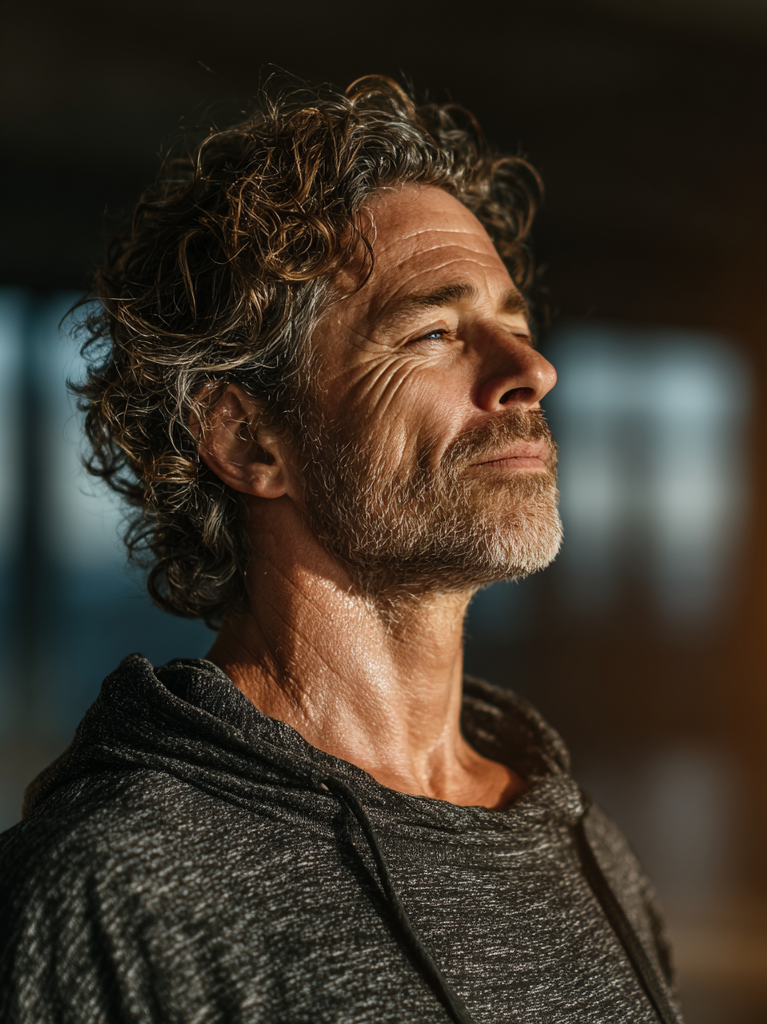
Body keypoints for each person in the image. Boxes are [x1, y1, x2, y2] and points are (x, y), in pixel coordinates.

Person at [0, 76, 680, 1024]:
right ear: (248, 441)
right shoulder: (111, 889)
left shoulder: (576, 838)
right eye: (435, 332)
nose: (531, 370)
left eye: (515, 329)